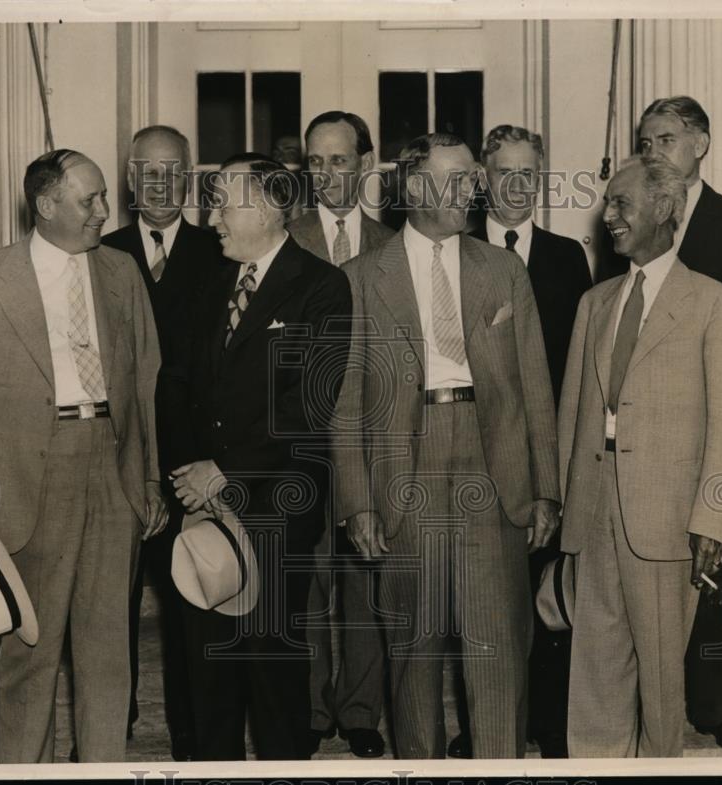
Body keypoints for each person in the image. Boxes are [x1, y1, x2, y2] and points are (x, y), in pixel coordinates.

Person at [332, 133, 560, 759]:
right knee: (412, 660)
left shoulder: (503, 269)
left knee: (500, 658)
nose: (474, 191)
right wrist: (358, 503)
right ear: (413, 188)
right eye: (458, 179)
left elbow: (535, 389)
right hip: (402, 472)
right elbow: (346, 403)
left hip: (495, 471)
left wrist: (546, 489)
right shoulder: (357, 279)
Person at [0, 148, 167, 763]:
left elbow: (145, 382)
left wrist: (148, 480)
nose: (104, 210)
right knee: (29, 653)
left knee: (107, 653)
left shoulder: (121, 272)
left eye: (100, 198)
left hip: (111, 470)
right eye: (89, 199)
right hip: (27, 480)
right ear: (46, 206)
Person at [559, 155, 722, 757]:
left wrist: (713, 522)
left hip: (669, 519)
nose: (608, 215)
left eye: (621, 203)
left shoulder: (713, 303)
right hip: (594, 512)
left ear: (665, 209)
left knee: (664, 685)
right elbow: (573, 415)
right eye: (608, 203)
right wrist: (565, 511)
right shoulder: (596, 302)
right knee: (593, 669)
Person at [161, 153, 352, 760]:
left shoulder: (321, 286)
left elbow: (307, 407)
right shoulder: (207, 281)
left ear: (269, 207)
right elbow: (175, 387)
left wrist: (226, 470)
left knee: (272, 675)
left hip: (275, 511)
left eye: (224, 202)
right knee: (208, 674)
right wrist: (188, 479)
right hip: (203, 513)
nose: (212, 216)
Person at [448, 124, 593, 759]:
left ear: (541, 179)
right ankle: (486, 731)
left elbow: (575, 367)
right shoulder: (454, 250)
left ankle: (551, 728)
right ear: (483, 177)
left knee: (548, 597)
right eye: (503, 171)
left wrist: (559, 470)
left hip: (546, 453)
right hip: (475, 456)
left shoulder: (566, 259)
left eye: (527, 174)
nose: (515, 185)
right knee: (482, 606)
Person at [101, 125, 221, 760]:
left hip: (190, 463)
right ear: (128, 178)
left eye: (173, 171)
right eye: (147, 171)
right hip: (116, 459)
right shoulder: (99, 252)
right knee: (110, 602)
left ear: (191, 176)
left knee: (189, 607)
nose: (160, 183)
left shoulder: (218, 250)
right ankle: (109, 727)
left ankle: (191, 737)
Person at [289, 110, 394, 759]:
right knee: (305, 577)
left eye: (340, 159)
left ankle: (360, 710)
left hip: (372, 442)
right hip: (299, 440)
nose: (328, 173)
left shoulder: (394, 245)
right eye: (316, 161)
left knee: (365, 579)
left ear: (365, 164)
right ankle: (308, 706)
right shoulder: (284, 237)